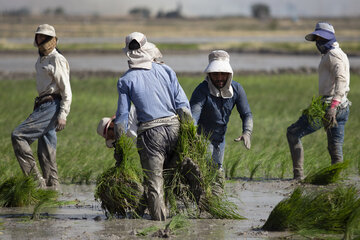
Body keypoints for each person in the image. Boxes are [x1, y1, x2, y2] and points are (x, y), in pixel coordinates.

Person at [114, 32, 191, 221]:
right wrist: (190, 135)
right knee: (166, 175)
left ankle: (160, 225)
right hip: (174, 127)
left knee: (154, 182)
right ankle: (146, 213)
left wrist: (119, 144)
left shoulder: (126, 80)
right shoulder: (166, 70)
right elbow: (183, 107)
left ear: (128, 53)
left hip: (151, 134)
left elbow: (123, 116)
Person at [287, 22, 351, 180]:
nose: (318, 43)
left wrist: (333, 106)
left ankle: (298, 176)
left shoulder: (333, 55)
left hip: (330, 106)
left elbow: (341, 79)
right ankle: (336, 181)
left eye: (321, 39)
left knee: (293, 133)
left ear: (329, 38)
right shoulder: (336, 53)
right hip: (342, 105)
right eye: (316, 39)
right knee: (335, 146)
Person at [11, 24, 72, 190]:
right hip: (42, 105)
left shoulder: (56, 59)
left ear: (51, 40)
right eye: (38, 36)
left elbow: (66, 89)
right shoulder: (41, 59)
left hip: (52, 105)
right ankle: (52, 189)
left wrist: (63, 114)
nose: (40, 39)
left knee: (18, 135)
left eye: (43, 37)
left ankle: (36, 183)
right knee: (45, 151)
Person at [190, 50, 253, 170]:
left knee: (217, 172)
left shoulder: (237, 89)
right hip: (202, 139)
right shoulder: (202, 91)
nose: (220, 78)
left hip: (220, 139)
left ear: (229, 74)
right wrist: (194, 137)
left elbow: (246, 114)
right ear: (209, 74)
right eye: (215, 74)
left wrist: (247, 132)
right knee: (206, 173)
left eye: (223, 74)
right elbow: (193, 117)